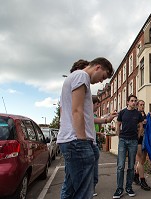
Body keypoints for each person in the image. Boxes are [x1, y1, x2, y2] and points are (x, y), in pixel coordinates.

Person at [57, 57, 114, 199]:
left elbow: (78, 113)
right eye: (103, 77)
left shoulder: (75, 78)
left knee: (71, 189)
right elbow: (77, 111)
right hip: (77, 141)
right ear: (98, 67)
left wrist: (105, 119)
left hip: (71, 140)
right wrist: (82, 141)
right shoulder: (81, 76)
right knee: (84, 192)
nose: (101, 81)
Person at [113, 95, 144, 199]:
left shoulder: (138, 114)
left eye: (135, 101)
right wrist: (118, 135)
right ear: (127, 102)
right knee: (120, 166)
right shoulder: (122, 112)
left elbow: (141, 126)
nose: (134, 103)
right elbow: (118, 124)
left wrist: (138, 136)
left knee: (131, 166)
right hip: (123, 140)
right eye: (132, 101)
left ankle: (129, 187)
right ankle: (119, 189)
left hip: (133, 141)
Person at [92, 95, 117, 197]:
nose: (99, 106)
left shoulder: (93, 116)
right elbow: (92, 128)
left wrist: (108, 118)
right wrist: (100, 133)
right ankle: (91, 188)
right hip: (90, 143)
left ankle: (91, 187)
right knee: (92, 168)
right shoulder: (88, 115)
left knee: (93, 167)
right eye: (98, 104)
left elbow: (101, 121)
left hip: (94, 143)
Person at [133, 100, 151, 191]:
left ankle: (136, 175)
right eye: (141, 105)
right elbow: (133, 126)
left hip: (145, 139)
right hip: (138, 139)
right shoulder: (135, 114)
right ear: (137, 105)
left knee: (143, 160)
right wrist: (140, 124)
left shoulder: (144, 114)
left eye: (143, 105)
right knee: (140, 159)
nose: (142, 106)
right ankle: (142, 180)